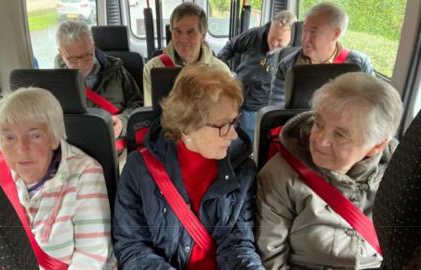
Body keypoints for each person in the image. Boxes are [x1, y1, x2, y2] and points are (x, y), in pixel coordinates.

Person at [113, 65, 264, 269]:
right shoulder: (139, 170)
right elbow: (132, 246)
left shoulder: (242, 169)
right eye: (222, 125)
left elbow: (238, 244)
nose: (234, 134)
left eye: (234, 121)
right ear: (187, 126)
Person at [256, 72, 403, 269]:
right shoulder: (281, 174)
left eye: (340, 135)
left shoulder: (401, 177)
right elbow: (270, 258)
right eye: (318, 124)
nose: (321, 141)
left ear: (376, 146)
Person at [0, 87, 117, 269]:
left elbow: (93, 257)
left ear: (55, 137)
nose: (22, 148)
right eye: (10, 137)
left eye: (35, 135)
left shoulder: (84, 173)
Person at [271, 2, 374, 107]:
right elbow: (276, 111)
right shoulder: (287, 65)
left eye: (313, 32)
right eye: (305, 30)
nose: (305, 39)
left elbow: (373, 107)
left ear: (335, 34)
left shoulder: (360, 65)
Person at [217, 10, 296, 143]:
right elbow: (229, 47)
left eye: (280, 41)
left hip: (258, 109)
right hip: (235, 99)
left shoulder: (293, 56)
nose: (274, 43)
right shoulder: (254, 35)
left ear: (290, 38)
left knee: (245, 145)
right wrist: (221, 70)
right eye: (273, 37)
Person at [55, 20, 142, 137]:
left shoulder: (117, 71)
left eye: (87, 55)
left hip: (115, 144)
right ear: (61, 54)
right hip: (73, 147)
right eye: (72, 59)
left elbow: (139, 105)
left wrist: (123, 122)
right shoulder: (54, 81)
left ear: (93, 46)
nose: (81, 64)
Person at [142, 2, 230, 107]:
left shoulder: (221, 71)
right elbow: (150, 114)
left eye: (190, 32)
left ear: (203, 35)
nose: (183, 39)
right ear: (171, 31)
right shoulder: (152, 68)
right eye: (178, 31)